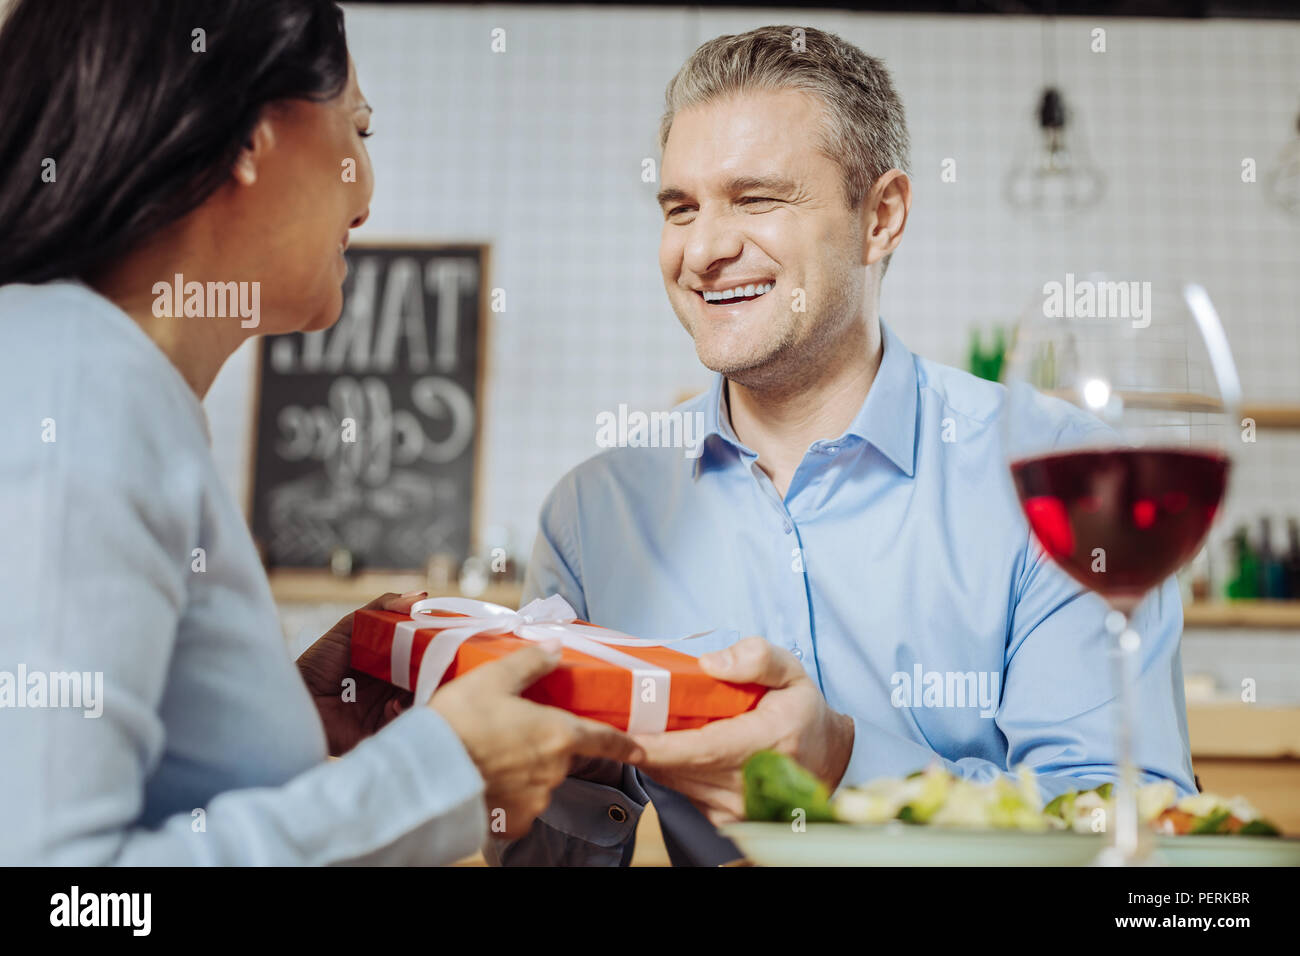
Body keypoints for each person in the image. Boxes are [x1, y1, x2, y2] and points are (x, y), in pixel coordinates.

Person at [489, 25, 1196, 867]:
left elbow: (1126, 831)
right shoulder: (591, 514)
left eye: (756, 199)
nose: (704, 250)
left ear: (881, 216)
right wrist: (549, 780)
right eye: (681, 207)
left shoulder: (1068, 479)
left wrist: (846, 767)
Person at [0, 0, 641, 865]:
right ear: (251, 137)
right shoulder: (82, 385)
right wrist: (440, 775)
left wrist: (277, 719)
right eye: (359, 130)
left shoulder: (84, 373)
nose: (368, 197)